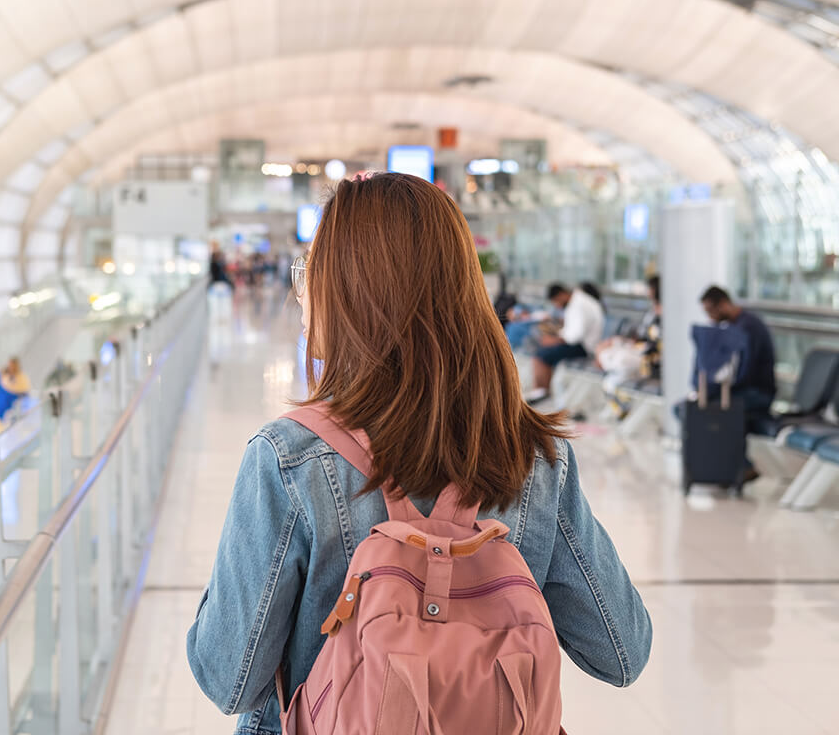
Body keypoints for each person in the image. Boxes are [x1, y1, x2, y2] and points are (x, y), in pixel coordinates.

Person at [187, 172, 651, 731]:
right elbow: (622, 651)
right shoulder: (531, 456)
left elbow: (228, 678)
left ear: (345, 292)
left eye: (311, 271)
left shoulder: (290, 459)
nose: (301, 288)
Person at [697, 286, 776, 482]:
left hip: (758, 392)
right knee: (709, 407)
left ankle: (740, 466)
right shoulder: (735, 325)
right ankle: (730, 464)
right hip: (743, 389)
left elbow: (744, 373)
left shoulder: (749, 327)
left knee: (720, 410)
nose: (711, 318)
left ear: (724, 304)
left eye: (711, 311)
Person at [525, 282, 606, 403]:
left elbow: (575, 336)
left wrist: (555, 340)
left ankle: (542, 391)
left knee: (542, 354)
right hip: (579, 344)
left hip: (584, 348)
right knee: (540, 350)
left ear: (562, 295)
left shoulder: (580, 304)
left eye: (556, 302)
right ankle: (540, 390)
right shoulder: (577, 302)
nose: (557, 306)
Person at [597, 276, 663, 396]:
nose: (648, 292)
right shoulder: (652, 312)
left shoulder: (666, 312)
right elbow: (642, 335)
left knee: (621, 359)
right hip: (641, 349)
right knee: (608, 354)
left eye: (650, 289)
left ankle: (613, 372)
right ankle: (614, 375)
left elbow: (656, 341)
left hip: (652, 358)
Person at [0, 357, 32, 435]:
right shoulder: (0, 376)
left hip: (13, 415)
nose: (12, 368)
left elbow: (26, 396)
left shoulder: (22, 378)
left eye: (14, 366)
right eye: (10, 366)